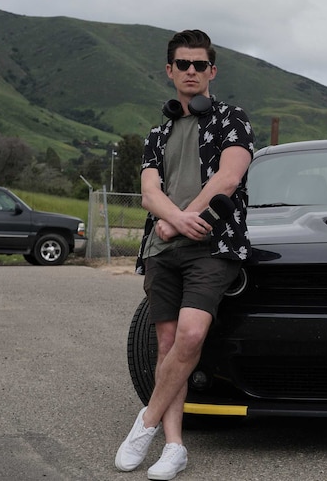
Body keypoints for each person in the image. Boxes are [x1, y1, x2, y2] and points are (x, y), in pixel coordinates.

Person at [115, 29, 254, 480]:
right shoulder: (158, 132)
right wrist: (169, 220)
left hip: (211, 245)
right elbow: (148, 192)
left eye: (199, 64)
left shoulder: (233, 119)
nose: (191, 71)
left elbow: (227, 179)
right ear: (170, 71)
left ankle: (145, 423)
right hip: (160, 250)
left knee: (192, 337)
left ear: (212, 71)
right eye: (182, 64)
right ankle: (174, 446)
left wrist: (178, 219)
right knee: (166, 344)